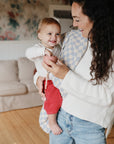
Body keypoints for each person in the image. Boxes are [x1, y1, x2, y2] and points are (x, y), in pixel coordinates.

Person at [36, 0, 114, 144]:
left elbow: (107, 97)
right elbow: (49, 59)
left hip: (90, 126)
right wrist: (39, 77)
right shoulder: (72, 37)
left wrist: (65, 75)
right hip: (61, 117)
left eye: (77, 19)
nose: (75, 25)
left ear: (97, 17)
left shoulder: (110, 51)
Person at [25, 17, 63, 135]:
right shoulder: (38, 49)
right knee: (53, 99)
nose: (54, 37)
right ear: (40, 35)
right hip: (48, 82)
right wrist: (43, 52)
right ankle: (51, 121)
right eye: (49, 34)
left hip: (59, 78)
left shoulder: (58, 48)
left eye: (57, 34)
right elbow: (28, 53)